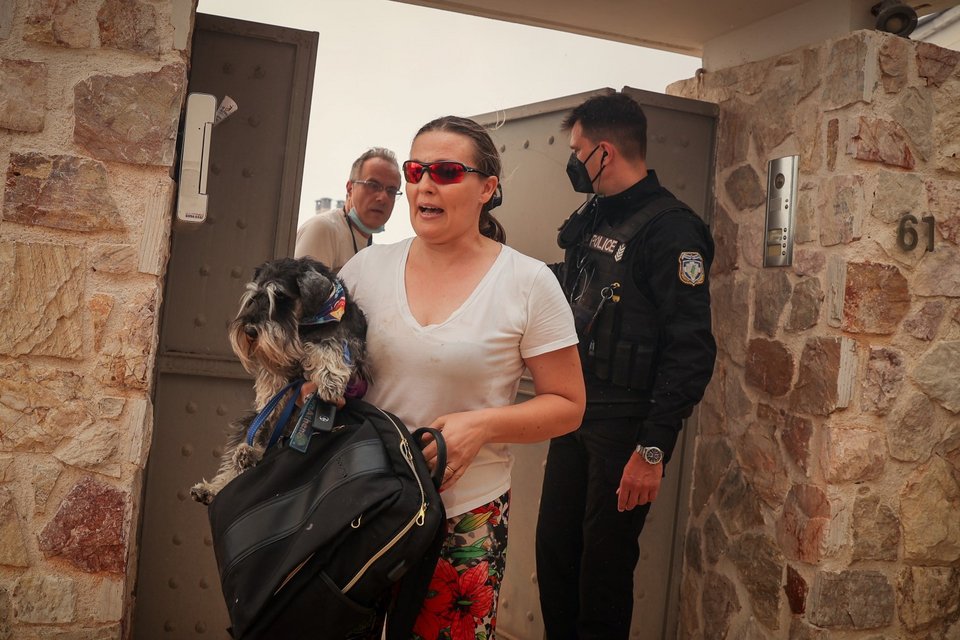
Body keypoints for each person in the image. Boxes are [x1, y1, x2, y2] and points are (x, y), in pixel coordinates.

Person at [323, 115, 585, 639]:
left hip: (465, 517)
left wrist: (481, 426)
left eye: (446, 172)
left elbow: (568, 405)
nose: (425, 184)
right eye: (416, 170)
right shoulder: (363, 271)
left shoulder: (528, 283)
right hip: (360, 504)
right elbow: (326, 369)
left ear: (487, 188)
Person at [535, 93, 717, 639]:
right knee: (555, 557)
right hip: (574, 412)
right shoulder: (596, 212)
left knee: (603, 575)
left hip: (625, 428)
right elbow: (574, 288)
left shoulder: (672, 230)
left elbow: (691, 349)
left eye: (577, 151)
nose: (573, 161)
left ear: (604, 153)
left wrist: (653, 449)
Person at [294, 147, 402, 271]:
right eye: (373, 185)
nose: (383, 198)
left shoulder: (373, 251)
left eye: (391, 191)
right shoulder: (323, 229)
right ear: (350, 188)